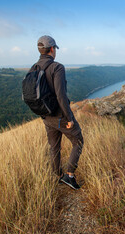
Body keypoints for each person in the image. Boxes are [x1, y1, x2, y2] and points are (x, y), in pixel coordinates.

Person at [32, 35, 83, 189]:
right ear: (52, 49)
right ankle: (69, 176)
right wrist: (69, 117)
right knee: (78, 141)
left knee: (54, 147)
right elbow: (61, 95)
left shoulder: (34, 68)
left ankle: (57, 176)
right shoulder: (57, 67)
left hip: (46, 116)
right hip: (60, 116)